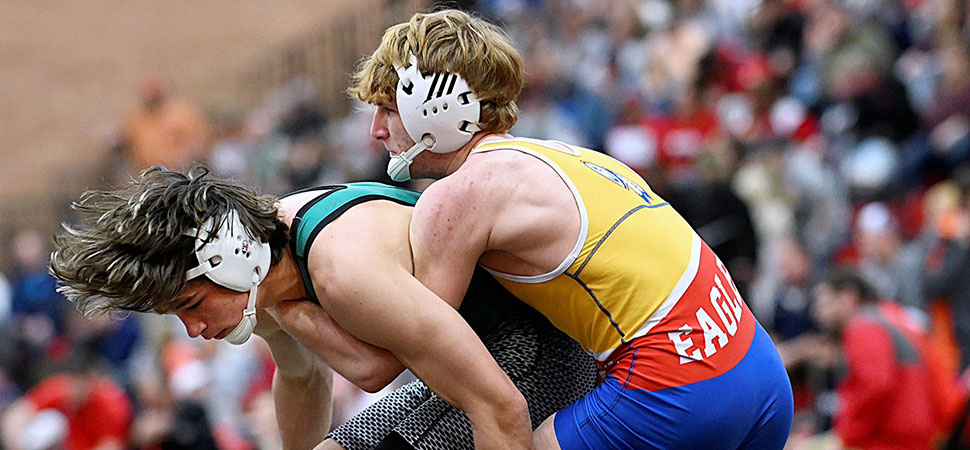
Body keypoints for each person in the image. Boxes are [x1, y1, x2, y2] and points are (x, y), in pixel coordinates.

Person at [349, 9, 794, 449]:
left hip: (681, 383)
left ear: (434, 107)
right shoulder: (566, 154)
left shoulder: (458, 197)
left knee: (508, 436)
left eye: (387, 109)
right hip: (758, 368)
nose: (376, 131)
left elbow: (402, 361)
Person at [51, 166, 596, 450]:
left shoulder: (338, 264)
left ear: (233, 260)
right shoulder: (268, 270)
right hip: (484, 359)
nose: (192, 330)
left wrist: (292, 314)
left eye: (191, 305)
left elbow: (484, 400)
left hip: (532, 353)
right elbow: (302, 378)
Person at [812, 268, 966, 450]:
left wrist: (846, 435)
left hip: (892, 439)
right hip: (920, 432)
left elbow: (876, 385)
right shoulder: (891, 316)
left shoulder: (864, 327)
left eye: (825, 303)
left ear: (847, 296)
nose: (818, 313)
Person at [0, 350, 132, 450]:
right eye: (73, 382)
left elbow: (111, 446)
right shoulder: (59, 389)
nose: (76, 390)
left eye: (82, 383)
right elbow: (16, 415)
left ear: (92, 380)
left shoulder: (112, 403)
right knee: (50, 421)